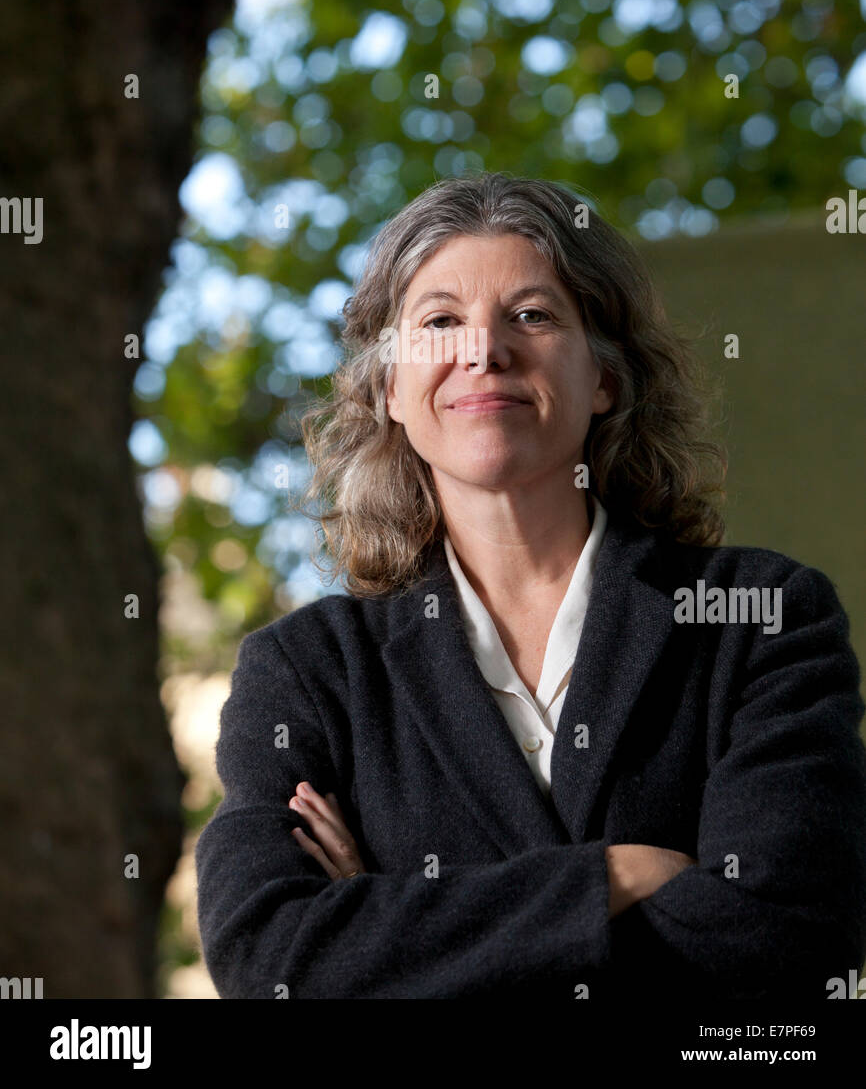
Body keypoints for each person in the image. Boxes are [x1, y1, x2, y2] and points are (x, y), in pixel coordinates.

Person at [195, 171, 866, 1000]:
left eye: (533, 315)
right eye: (440, 321)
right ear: (391, 390)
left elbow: (795, 939)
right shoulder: (306, 670)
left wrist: (390, 925)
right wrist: (616, 877)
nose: (484, 349)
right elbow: (269, 959)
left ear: (607, 377)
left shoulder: (760, 619)